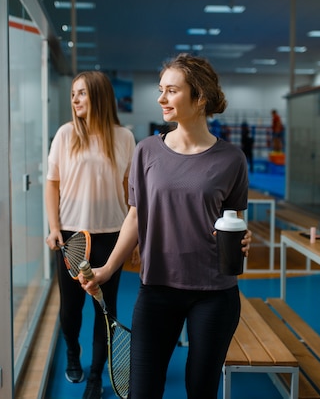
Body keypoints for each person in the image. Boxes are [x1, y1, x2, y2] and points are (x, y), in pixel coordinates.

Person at [79, 53, 252, 398]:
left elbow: (233, 221)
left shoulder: (232, 159)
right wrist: (108, 269)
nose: (161, 99)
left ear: (199, 97)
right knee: (143, 392)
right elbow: (135, 215)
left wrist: (243, 239)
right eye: (161, 90)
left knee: (201, 390)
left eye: (171, 91)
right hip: (157, 288)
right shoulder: (147, 151)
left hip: (215, 294)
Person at [45, 71, 136, 399]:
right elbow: (52, 182)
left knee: (105, 309)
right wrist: (54, 227)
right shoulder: (66, 134)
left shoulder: (125, 138)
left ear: (98, 96)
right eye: (73, 94)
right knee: (70, 310)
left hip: (112, 235)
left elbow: (130, 189)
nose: (75, 100)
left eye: (81, 93)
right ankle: (73, 352)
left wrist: (133, 235)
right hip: (71, 235)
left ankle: (96, 376)